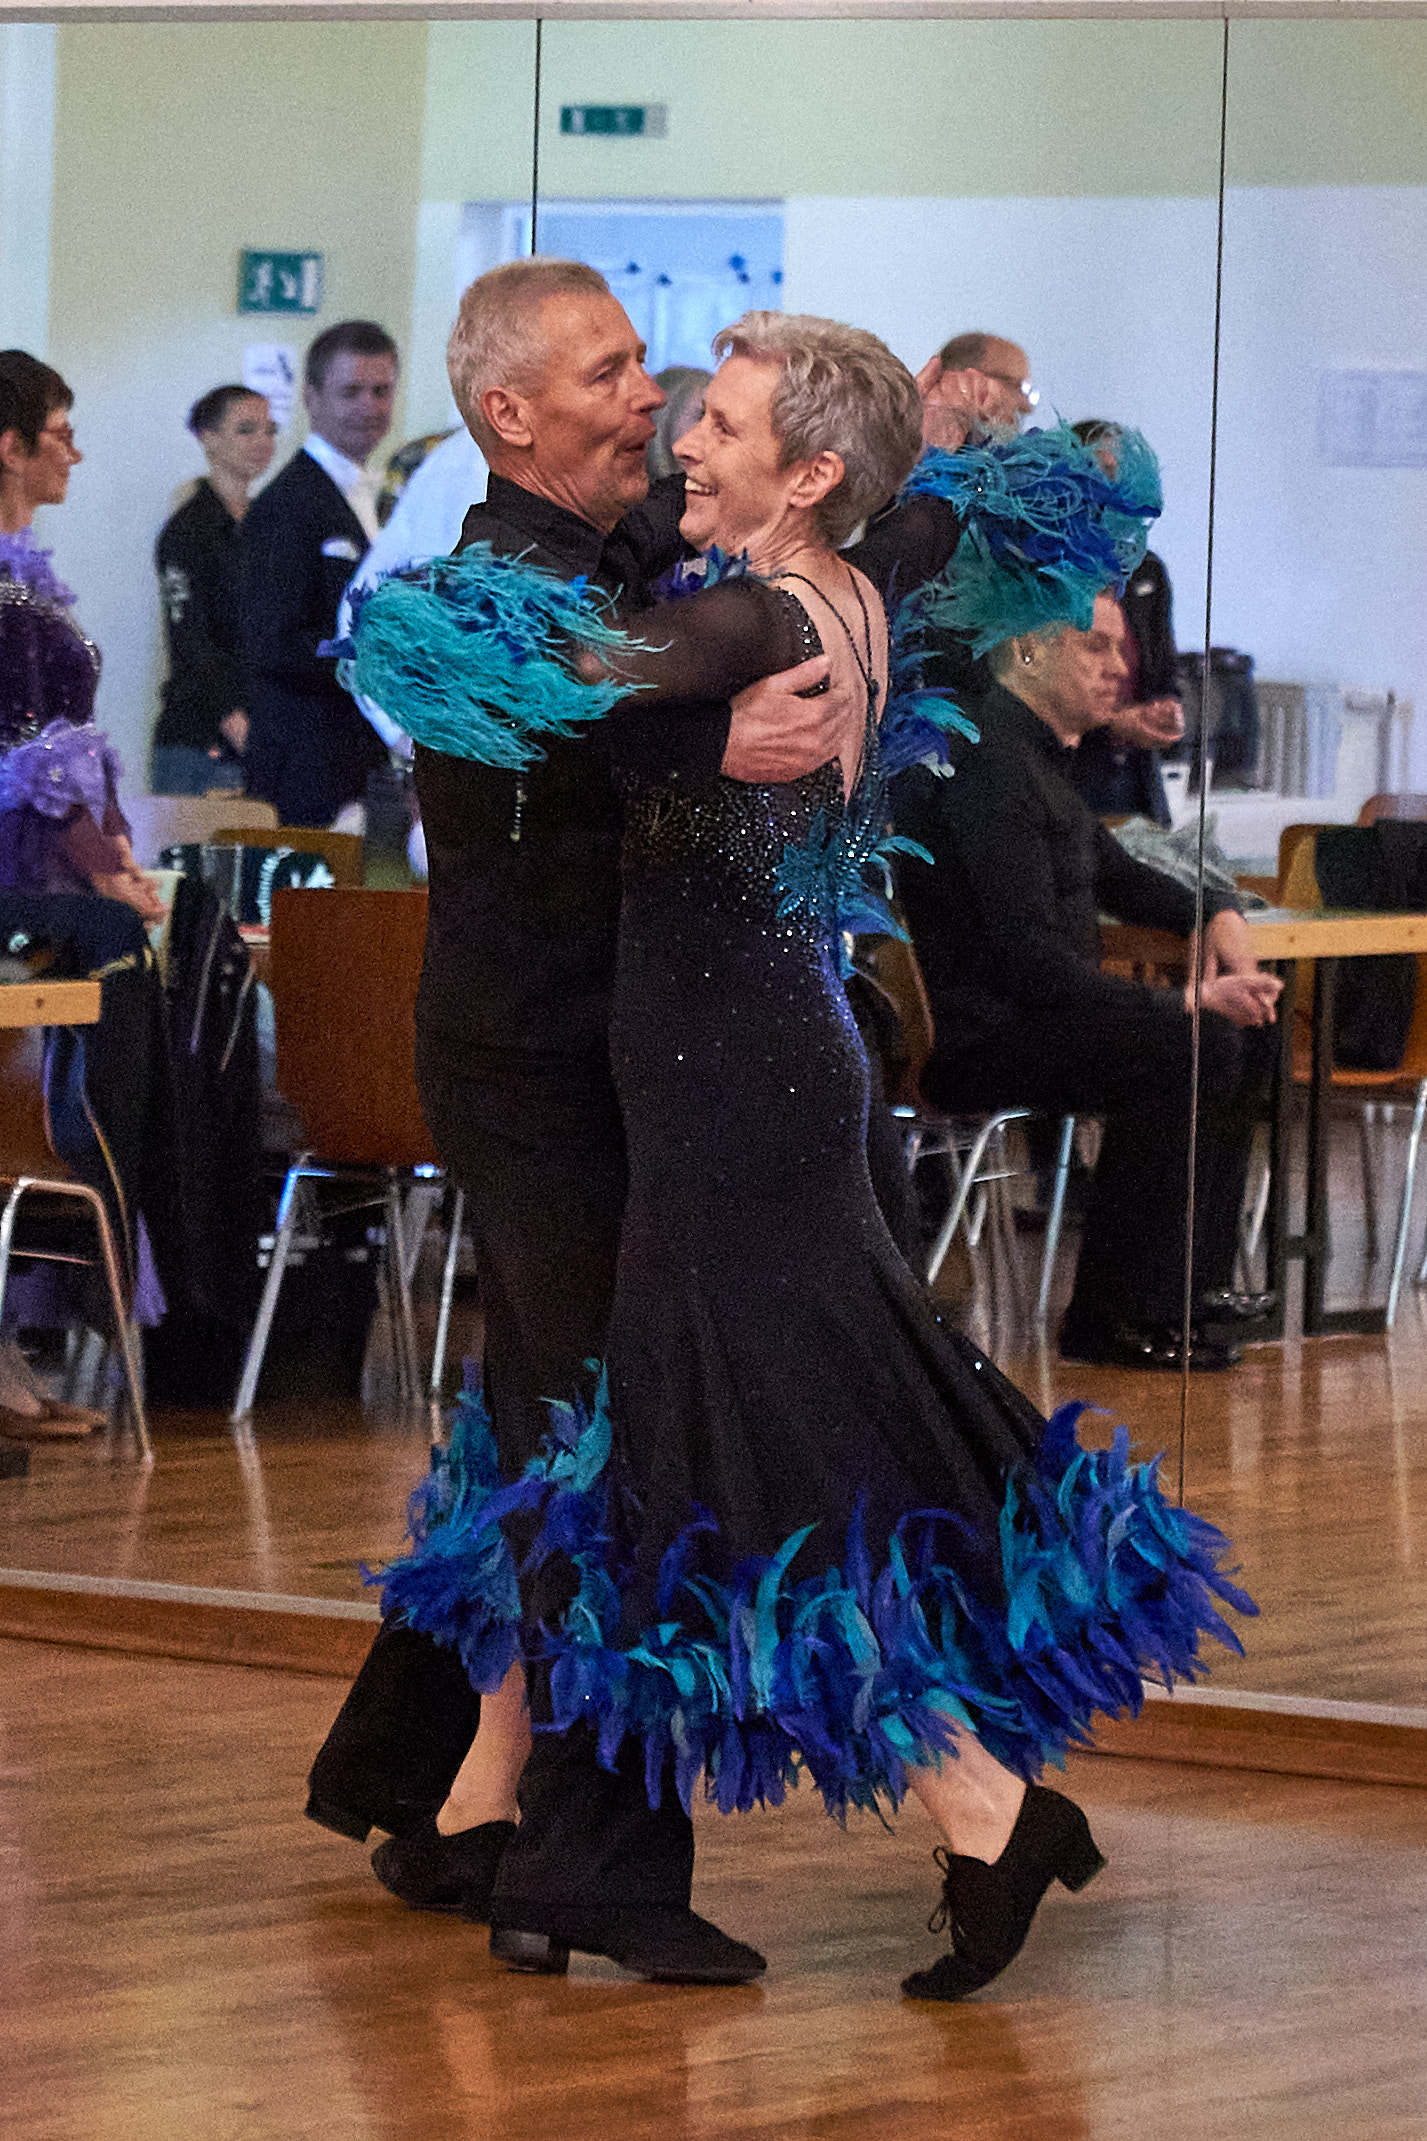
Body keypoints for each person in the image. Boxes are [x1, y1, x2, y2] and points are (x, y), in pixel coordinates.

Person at [351, 313, 1254, 2003]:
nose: (681, 435)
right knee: (730, 1448)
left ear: (810, 470)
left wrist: (649, 707)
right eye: (673, 406)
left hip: (729, 1093)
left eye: (721, 420)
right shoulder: (855, 568)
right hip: (735, 1074)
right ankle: (542, 1806)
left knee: (756, 1460)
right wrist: (937, 457)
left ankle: (976, 1806)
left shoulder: (756, 616)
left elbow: (525, 671)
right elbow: (957, 509)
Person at [305, 259, 874, 1986]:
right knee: (595, 1449)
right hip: (536, 1072)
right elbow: (520, 744)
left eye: (646, 367)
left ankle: (443, 1796)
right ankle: (590, 1861)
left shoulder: (618, 557)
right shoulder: (489, 583)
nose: (648, 395)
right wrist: (710, 752)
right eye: (612, 372)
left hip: (608, 1064)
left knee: (535, 1425)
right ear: (509, 412)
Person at [893, 591, 1283, 1373]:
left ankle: (1190, 1288)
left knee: (1246, 1031)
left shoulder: (1039, 759)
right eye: (1093, 646)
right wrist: (1178, 998)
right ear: (1026, 651)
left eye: (1120, 649)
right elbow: (1026, 962)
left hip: (1046, 1018)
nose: (1119, 668)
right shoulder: (989, 764)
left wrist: (1215, 908)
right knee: (1186, 1042)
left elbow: (1121, 876)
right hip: (985, 1037)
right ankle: (1113, 1315)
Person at [0, 349, 159, 1445]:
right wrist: (107, 871)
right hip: (22, 872)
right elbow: (28, 756)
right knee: (115, 961)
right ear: (10, 445)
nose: (77, 452)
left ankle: (32, 1324)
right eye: (61, 432)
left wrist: (117, 855)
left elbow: (66, 750)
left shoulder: (25, 583)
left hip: (49, 862)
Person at [239, 321, 399, 825]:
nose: (369, 406)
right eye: (351, 392)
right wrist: (380, 657)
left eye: (381, 391)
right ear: (311, 397)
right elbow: (272, 642)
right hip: (306, 762)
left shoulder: (386, 496)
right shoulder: (284, 505)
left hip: (361, 755)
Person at [152, 385, 278, 796]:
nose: (262, 441)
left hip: (260, 731)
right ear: (208, 439)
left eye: (269, 430)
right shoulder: (188, 531)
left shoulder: (268, 525)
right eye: (246, 430)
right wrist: (233, 718)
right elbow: (189, 639)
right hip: (200, 742)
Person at [1066, 419, 1183, 827]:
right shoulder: (1047, 566)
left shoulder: (1147, 571)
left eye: (1125, 478)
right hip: (1069, 774)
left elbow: (1163, 669)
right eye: (1104, 474)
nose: (1116, 490)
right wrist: (1114, 722)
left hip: (1136, 780)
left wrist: (1167, 710)